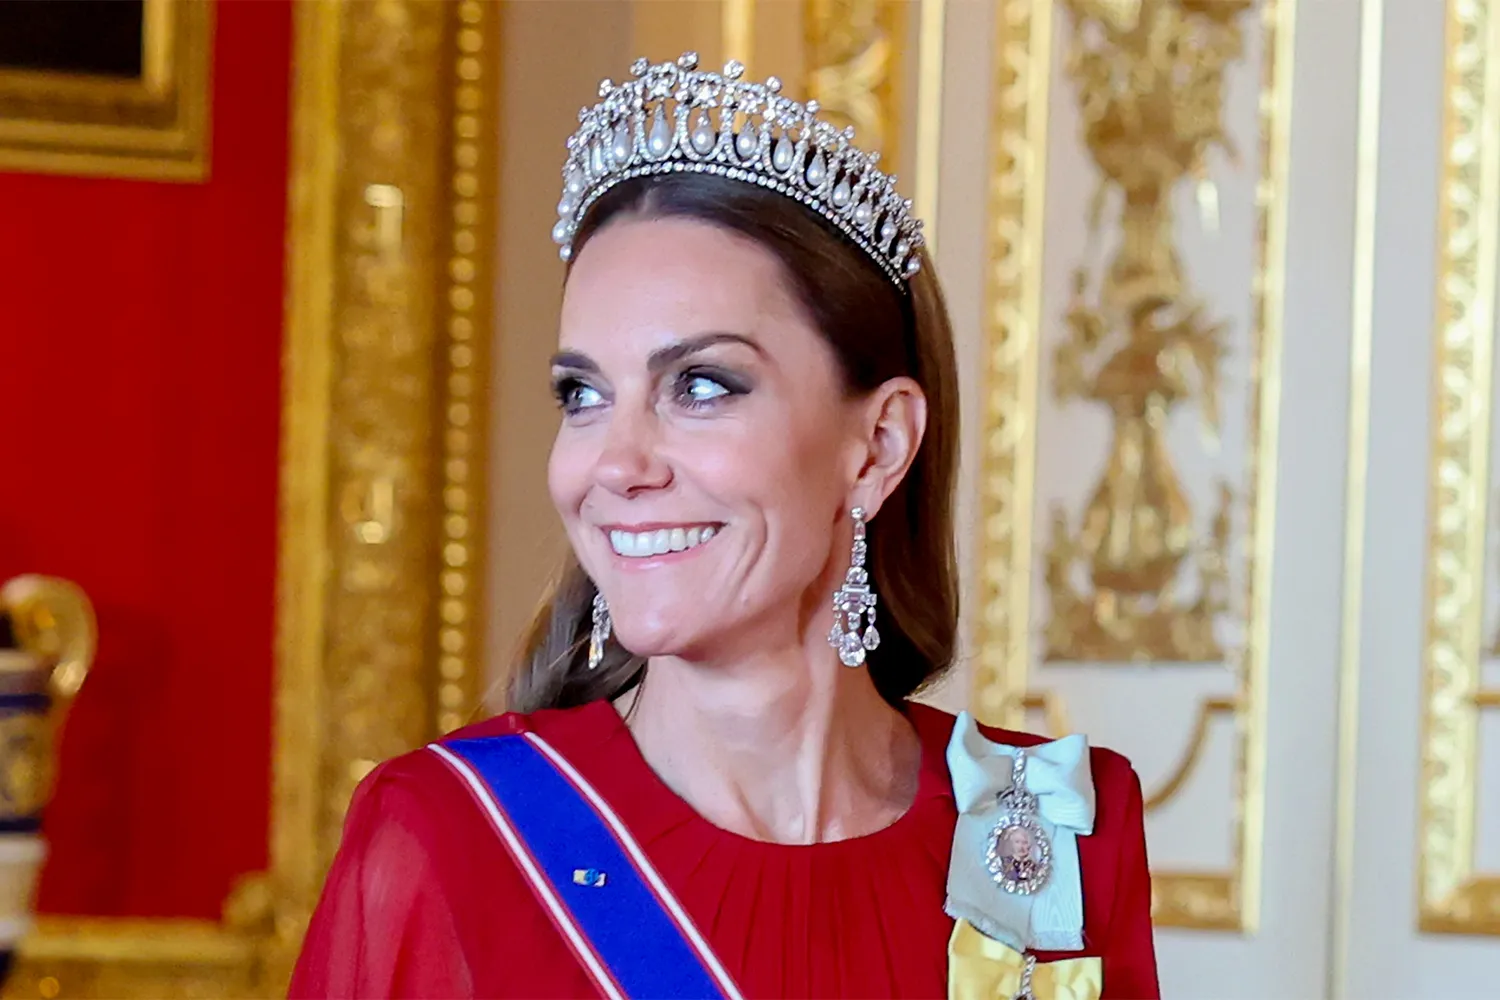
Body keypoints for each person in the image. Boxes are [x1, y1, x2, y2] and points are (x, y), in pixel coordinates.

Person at [289, 53, 1158, 1000]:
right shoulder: (451, 838)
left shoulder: (1046, 828)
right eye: (582, 395)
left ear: (875, 445)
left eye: (700, 385)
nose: (614, 465)